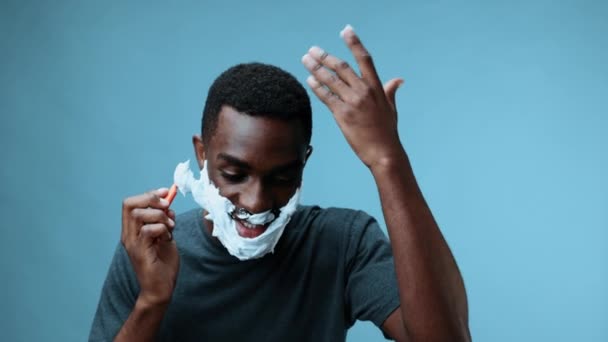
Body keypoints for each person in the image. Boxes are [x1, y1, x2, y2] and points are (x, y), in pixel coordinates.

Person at [90, 25, 471, 341]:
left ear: (304, 163)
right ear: (202, 155)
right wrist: (153, 299)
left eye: (283, 177)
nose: (256, 202)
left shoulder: (343, 243)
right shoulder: (149, 249)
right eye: (235, 175)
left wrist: (389, 162)